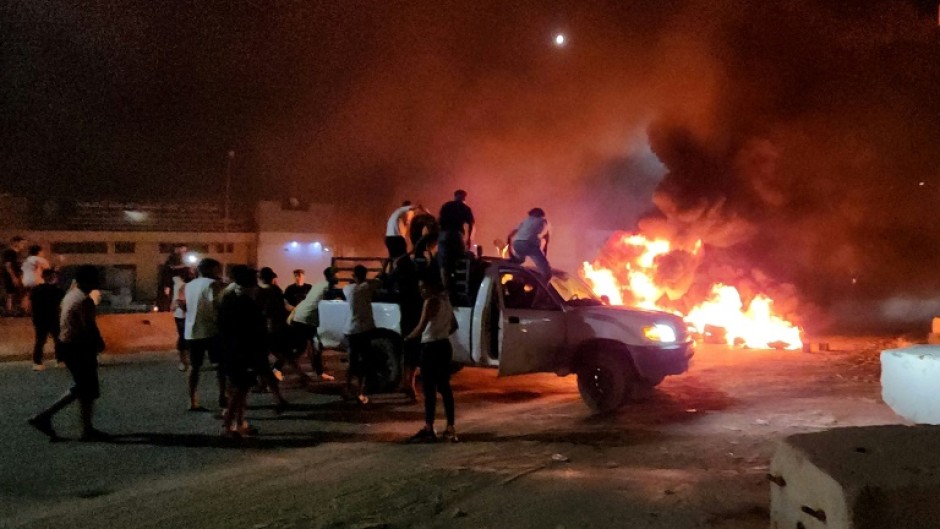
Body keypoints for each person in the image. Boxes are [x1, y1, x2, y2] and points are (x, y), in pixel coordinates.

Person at [28, 265, 108, 441]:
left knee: (84, 388)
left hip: (68, 345)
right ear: (88, 281)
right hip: (79, 347)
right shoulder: (84, 300)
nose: (98, 282)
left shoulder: (71, 295)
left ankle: (86, 429)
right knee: (86, 388)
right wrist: (99, 344)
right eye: (95, 279)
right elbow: (89, 326)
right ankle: (44, 416)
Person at [405, 277, 459, 443]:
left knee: (429, 390)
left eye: (423, 287)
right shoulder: (446, 301)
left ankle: (429, 428)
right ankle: (450, 427)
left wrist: (407, 339)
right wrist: (441, 333)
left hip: (431, 348)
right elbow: (454, 326)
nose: (421, 292)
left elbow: (421, 326)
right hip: (444, 346)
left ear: (432, 287)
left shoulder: (430, 302)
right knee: (445, 388)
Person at [218, 265, 267, 438]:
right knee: (239, 389)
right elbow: (252, 330)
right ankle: (228, 426)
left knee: (242, 389)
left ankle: (240, 422)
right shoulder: (241, 302)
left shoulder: (231, 297)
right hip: (241, 351)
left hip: (234, 350)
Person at [184, 258, 225, 411]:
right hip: (211, 330)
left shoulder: (189, 285)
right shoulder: (212, 284)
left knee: (194, 367)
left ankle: (192, 400)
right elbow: (216, 306)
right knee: (220, 365)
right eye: (217, 269)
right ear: (211, 269)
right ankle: (222, 396)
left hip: (192, 330)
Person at [258, 266, 308, 393]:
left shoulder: (262, 292)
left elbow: (263, 310)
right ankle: (300, 375)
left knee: (271, 356)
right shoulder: (276, 290)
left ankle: (265, 384)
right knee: (283, 355)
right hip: (279, 326)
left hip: (269, 328)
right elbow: (285, 306)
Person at [289, 267, 340, 382]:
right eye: (337, 275)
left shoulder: (320, 284)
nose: (338, 278)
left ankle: (318, 372)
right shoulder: (327, 288)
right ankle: (319, 373)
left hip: (301, 316)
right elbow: (338, 296)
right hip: (306, 319)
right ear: (332, 277)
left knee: (303, 346)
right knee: (311, 346)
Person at [342, 264, 383, 404]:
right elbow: (379, 280)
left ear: (353, 276)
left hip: (350, 330)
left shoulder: (348, 289)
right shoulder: (367, 287)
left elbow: (355, 283)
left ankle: (347, 388)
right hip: (365, 330)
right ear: (365, 275)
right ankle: (361, 391)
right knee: (366, 362)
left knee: (352, 362)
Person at [387, 253, 422, 401]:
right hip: (415, 322)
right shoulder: (414, 279)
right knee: (413, 355)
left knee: (407, 353)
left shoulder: (400, 281)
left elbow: (388, 280)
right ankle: (410, 386)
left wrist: (390, 268)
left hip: (406, 322)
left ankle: (406, 383)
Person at [437, 190, 474, 288]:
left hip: (444, 236)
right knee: (458, 259)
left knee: (443, 263)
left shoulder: (446, 205)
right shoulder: (465, 208)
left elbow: (439, 221)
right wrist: (469, 239)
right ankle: (455, 286)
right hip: (456, 236)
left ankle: (446, 287)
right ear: (464, 197)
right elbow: (471, 224)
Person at [29, 269, 64, 371]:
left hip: (39, 318)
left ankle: (37, 362)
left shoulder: (35, 290)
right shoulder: (57, 291)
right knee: (58, 339)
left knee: (40, 340)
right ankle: (60, 360)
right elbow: (61, 303)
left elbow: (31, 305)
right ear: (53, 278)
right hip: (53, 318)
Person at [510, 208, 552, 278]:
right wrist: (543, 256)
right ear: (541, 214)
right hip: (529, 244)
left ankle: (510, 268)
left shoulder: (525, 220)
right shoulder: (544, 221)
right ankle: (544, 285)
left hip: (517, 243)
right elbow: (546, 239)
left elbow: (511, 234)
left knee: (519, 261)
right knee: (546, 271)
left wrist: (510, 246)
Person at [170, 272, 190, 372]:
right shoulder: (183, 285)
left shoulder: (177, 283)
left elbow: (175, 301)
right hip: (183, 314)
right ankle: (184, 360)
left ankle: (184, 360)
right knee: (184, 337)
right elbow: (179, 300)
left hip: (180, 314)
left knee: (183, 336)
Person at [2, 236, 25, 316]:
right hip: (11, 276)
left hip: (16, 276)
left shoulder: (17, 254)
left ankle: (14, 311)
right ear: (16, 243)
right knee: (10, 294)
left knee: (16, 294)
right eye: (21, 243)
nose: (23, 245)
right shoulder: (10, 252)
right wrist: (13, 277)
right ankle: (10, 311)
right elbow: (8, 265)